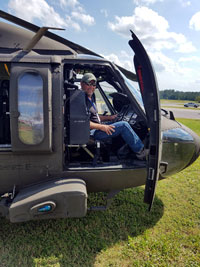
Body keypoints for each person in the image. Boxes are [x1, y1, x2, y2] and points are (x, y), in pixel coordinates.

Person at [80, 73, 148, 160]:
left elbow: (94, 117)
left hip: (96, 128)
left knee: (118, 122)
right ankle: (141, 152)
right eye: (88, 84)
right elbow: (82, 122)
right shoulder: (81, 100)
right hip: (92, 134)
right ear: (82, 84)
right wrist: (102, 126)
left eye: (93, 85)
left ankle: (121, 152)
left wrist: (110, 118)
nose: (91, 87)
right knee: (124, 125)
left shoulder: (90, 97)